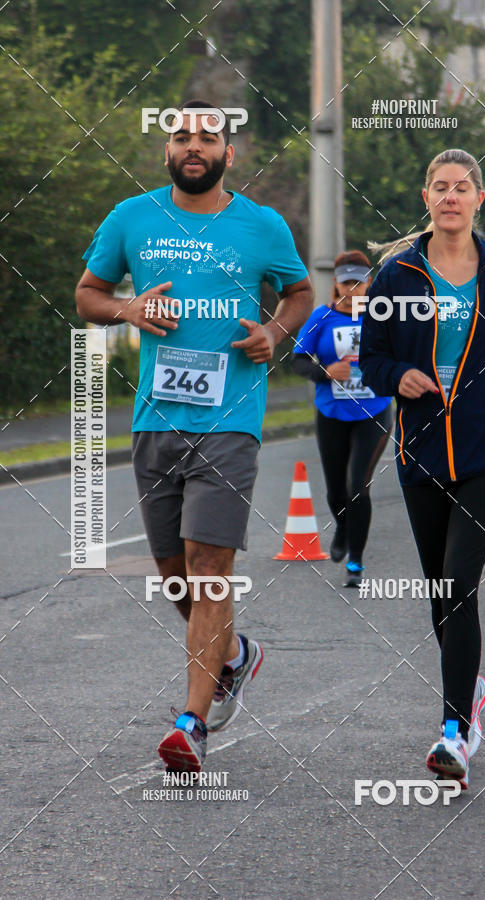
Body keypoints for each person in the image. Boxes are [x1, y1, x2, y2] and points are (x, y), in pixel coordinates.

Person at [75, 99, 313, 772]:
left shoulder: (261, 226)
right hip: (156, 420)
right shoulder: (132, 217)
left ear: (228, 153)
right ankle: (234, 656)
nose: (193, 146)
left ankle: (192, 723)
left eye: (207, 138)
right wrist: (127, 308)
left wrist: (275, 332)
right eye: (181, 136)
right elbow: (88, 293)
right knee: (175, 576)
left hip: (230, 421)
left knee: (210, 568)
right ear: (167, 150)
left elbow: (299, 293)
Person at [359, 148, 485, 789]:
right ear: (426, 197)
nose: (450, 197)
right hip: (420, 451)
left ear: (478, 200)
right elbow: (370, 357)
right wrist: (396, 375)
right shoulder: (397, 275)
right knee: (441, 590)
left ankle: (454, 733)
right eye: (440, 187)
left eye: (461, 187)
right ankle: (472, 688)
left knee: (460, 583)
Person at [292, 251, 392, 587]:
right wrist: (324, 372)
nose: (352, 289)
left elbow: (405, 355)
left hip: (374, 412)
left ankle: (356, 562)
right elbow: (298, 360)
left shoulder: (383, 316)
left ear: (369, 283)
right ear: (335, 283)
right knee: (336, 492)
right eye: (346, 282)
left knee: (357, 487)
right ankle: (343, 527)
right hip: (331, 412)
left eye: (358, 283)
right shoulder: (321, 317)